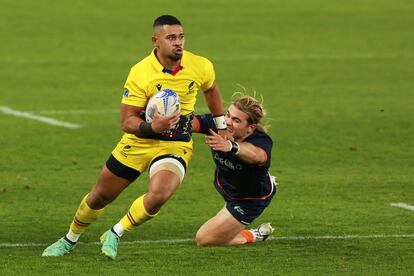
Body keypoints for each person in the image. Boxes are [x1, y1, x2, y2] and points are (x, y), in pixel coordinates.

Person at [42, 15, 228, 260]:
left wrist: (221, 125)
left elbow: (211, 89)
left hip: (175, 144)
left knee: (160, 194)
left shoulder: (200, 65)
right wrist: (153, 127)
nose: (178, 43)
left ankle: (115, 233)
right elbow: (126, 121)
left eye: (181, 36)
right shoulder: (140, 72)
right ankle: (69, 239)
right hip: (138, 142)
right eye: (171, 37)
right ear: (155, 41)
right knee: (100, 196)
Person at [192, 94, 277, 246]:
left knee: (205, 239)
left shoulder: (261, 141)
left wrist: (231, 147)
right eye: (228, 115)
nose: (228, 122)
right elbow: (191, 123)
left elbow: (257, 155)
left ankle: (254, 234)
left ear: (250, 128)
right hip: (228, 186)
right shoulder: (220, 124)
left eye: (236, 120)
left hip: (250, 199)